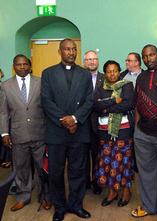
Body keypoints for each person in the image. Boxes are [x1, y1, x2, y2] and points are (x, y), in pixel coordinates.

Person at [41, 39, 94, 221]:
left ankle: (76, 205)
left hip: (78, 131)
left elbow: (89, 100)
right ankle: (60, 207)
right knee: (55, 173)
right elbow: (46, 101)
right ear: (60, 51)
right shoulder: (48, 74)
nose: (71, 52)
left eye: (74, 49)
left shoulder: (85, 74)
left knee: (78, 171)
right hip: (57, 131)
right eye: (67, 49)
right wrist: (65, 120)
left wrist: (75, 119)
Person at [0, 55, 51, 211]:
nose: (22, 67)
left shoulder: (41, 82)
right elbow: (3, 111)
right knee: (21, 168)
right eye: (18, 65)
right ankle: (23, 197)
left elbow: (48, 107)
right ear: (13, 67)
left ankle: (45, 196)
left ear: (29, 66)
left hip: (39, 133)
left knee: (42, 168)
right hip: (17, 134)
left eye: (25, 64)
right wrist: (4, 133)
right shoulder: (6, 85)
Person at [131, 45, 157, 221]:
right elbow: (137, 104)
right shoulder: (141, 77)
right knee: (146, 172)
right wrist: (136, 129)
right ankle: (149, 206)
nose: (149, 59)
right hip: (142, 134)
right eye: (145, 57)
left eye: (151, 55)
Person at [93, 60, 135, 207]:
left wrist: (106, 107)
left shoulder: (127, 85)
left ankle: (126, 192)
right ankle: (112, 192)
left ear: (119, 71)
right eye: (109, 71)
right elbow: (96, 105)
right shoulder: (100, 88)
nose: (112, 74)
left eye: (115, 70)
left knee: (123, 163)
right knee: (108, 164)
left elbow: (128, 104)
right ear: (105, 73)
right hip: (104, 133)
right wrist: (114, 101)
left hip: (123, 132)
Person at [83, 50, 104, 194]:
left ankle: (97, 182)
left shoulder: (105, 78)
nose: (92, 62)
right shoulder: (78, 77)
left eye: (94, 59)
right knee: (82, 157)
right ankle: (84, 183)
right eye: (89, 59)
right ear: (84, 62)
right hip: (82, 124)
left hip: (99, 124)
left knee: (97, 155)